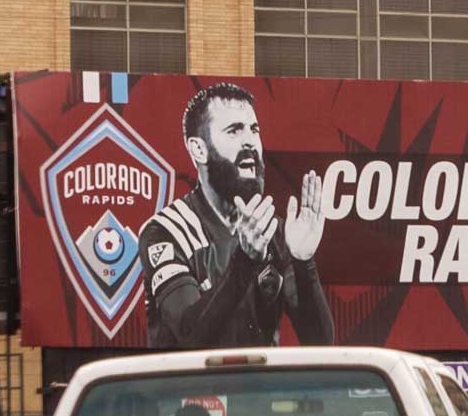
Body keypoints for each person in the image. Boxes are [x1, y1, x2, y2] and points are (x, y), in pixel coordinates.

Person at [139, 83, 335, 349]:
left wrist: (304, 264)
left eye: (254, 130)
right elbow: (190, 335)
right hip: (189, 389)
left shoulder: (275, 232)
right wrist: (244, 262)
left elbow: (320, 342)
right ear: (199, 149)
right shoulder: (165, 231)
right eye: (234, 130)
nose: (250, 141)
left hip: (258, 389)